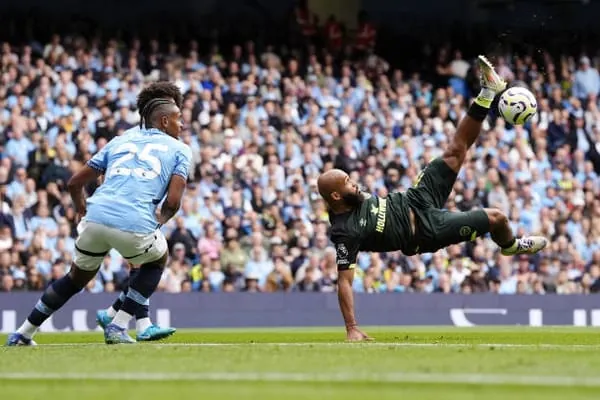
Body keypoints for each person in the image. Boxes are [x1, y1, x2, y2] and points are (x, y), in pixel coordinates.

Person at [316, 56, 548, 342]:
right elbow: (344, 282)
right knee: (497, 217)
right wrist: (351, 327)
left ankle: (488, 92)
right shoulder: (344, 232)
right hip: (425, 231)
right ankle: (511, 246)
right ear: (336, 195)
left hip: (414, 198)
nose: (356, 183)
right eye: (349, 183)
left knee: (455, 152)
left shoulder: (352, 198)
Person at [6, 96, 192, 345]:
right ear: (165, 120)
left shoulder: (120, 140)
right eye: (179, 119)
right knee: (155, 260)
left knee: (74, 279)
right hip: (134, 221)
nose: (183, 125)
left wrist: (81, 210)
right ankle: (117, 325)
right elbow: (172, 202)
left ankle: (23, 333)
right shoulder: (180, 149)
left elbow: (74, 183)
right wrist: (161, 220)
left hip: (95, 216)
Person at [94, 82, 184, 342]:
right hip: (129, 211)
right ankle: (134, 322)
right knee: (149, 262)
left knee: (145, 263)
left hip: (138, 209)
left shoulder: (154, 137)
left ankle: (119, 315)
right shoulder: (135, 137)